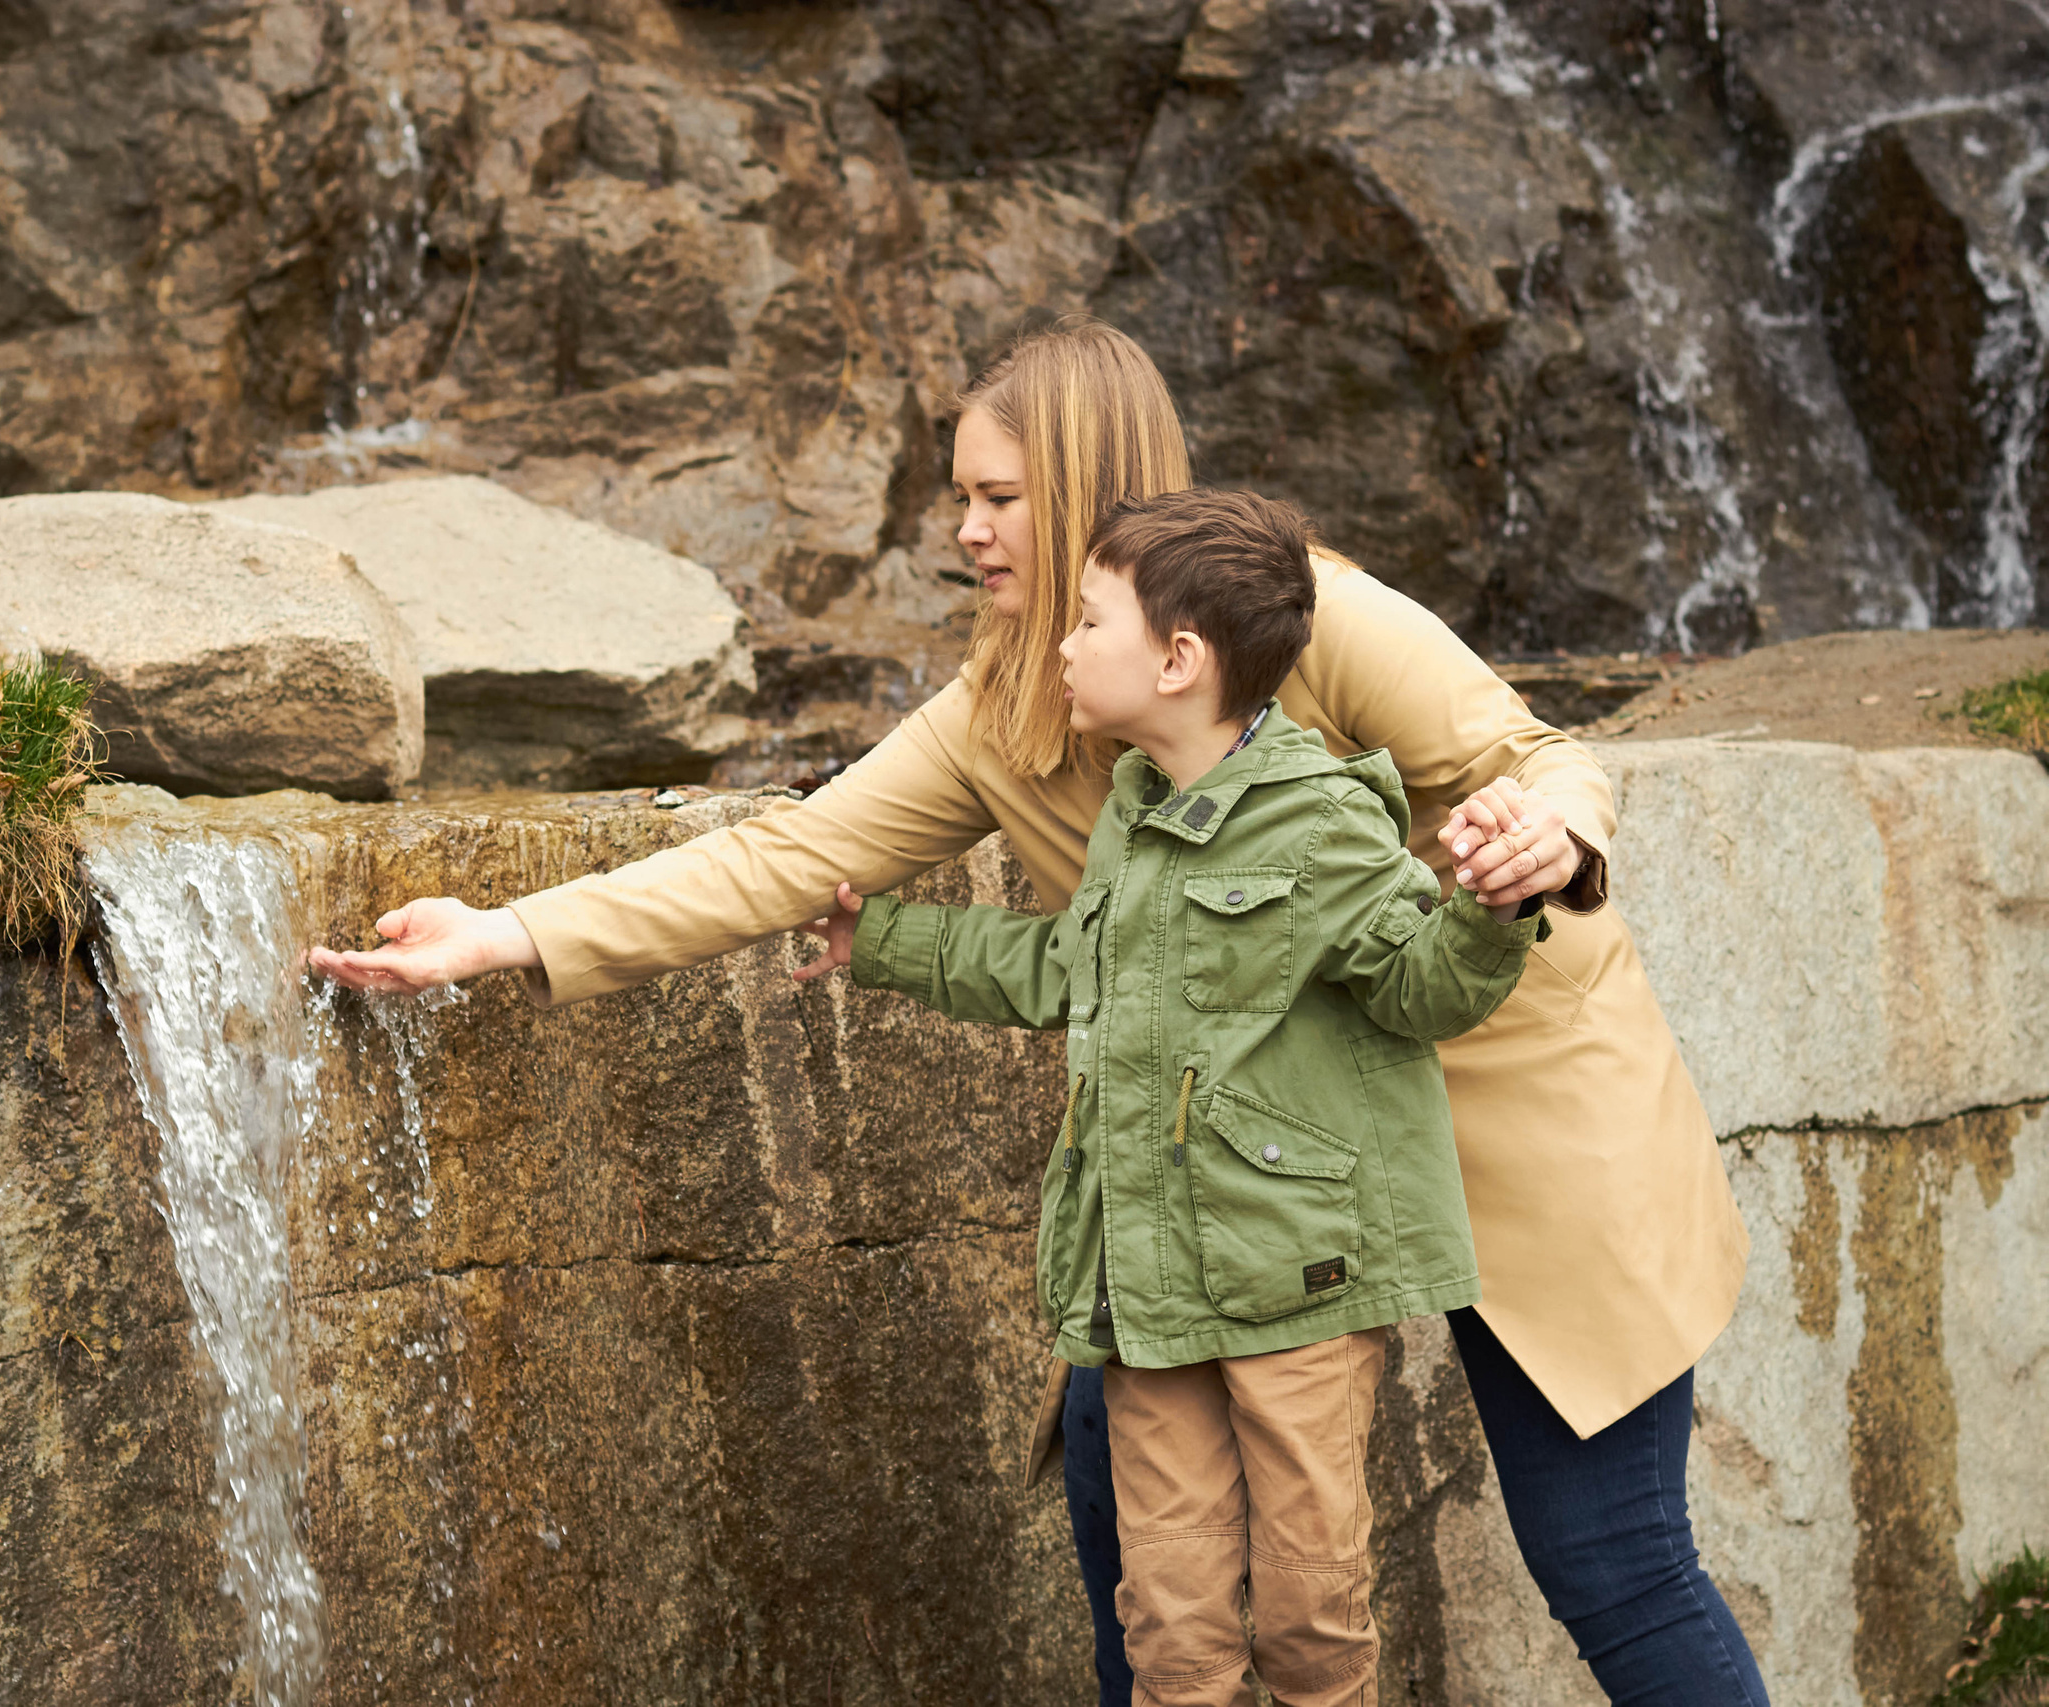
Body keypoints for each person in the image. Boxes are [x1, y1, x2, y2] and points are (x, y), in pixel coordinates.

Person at [312, 320, 1767, 1706]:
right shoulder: (1005, 710)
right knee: (1124, 1518)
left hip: (1520, 1126)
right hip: (1248, 1198)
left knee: (1611, 1564)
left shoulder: (1296, 615)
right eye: (961, 498)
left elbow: (1538, 754)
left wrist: (1546, 839)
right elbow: (787, 855)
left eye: (997, 497)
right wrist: (507, 931)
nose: (965, 531)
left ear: (1083, 487)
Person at [798, 484, 1544, 1704]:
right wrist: (877, 940)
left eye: (1089, 622)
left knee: (1312, 1618)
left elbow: (1421, 989)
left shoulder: (1321, 822)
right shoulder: (1134, 811)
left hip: (1297, 1287)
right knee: (1170, 1629)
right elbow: (1064, 967)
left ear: (1179, 660)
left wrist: (1490, 911)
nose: (1061, 645)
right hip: (1148, 1283)